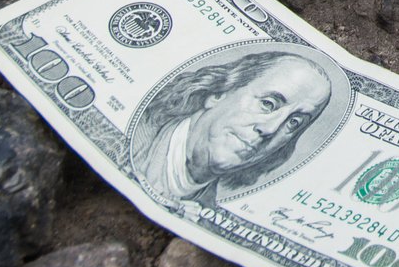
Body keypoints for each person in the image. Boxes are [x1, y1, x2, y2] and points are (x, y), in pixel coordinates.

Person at [130, 49, 333, 208]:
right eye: (268, 104)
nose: (270, 129)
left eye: (294, 123)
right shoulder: (130, 137)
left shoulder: (207, 217)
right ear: (219, 93)